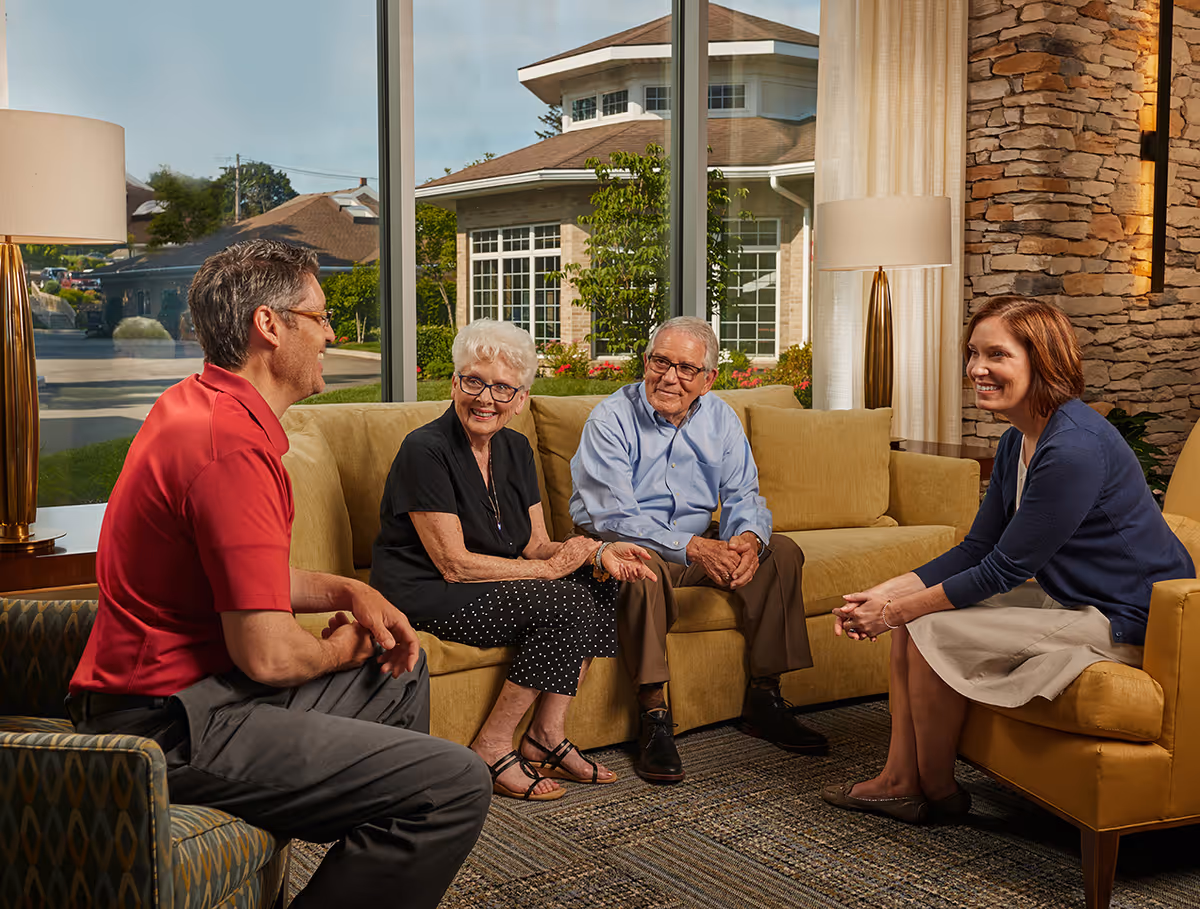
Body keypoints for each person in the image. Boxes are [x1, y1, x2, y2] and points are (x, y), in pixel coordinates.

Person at [67, 240, 492, 909]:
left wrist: (350, 590)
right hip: (165, 725)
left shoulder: (201, 404)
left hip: (196, 696)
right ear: (271, 324)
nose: (331, 334)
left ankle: (375, 849)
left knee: (398, 668)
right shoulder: (231, 448)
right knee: (453, 783)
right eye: (319, 317)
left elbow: (242, 570)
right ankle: (393, 820)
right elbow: (267, 654)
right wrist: (338, 646)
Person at [823, 295, 1194, 824]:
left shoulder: (1074, 449)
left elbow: (1002, 571)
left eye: (996, 355)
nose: (977, 368)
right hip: (1070, 591)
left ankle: (935, 789)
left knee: (924, 626)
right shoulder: (1018, 440)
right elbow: (978, 548)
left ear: (1042, 360)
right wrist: (886, 593)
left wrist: (894, 612)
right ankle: (902, 780)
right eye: (973, 353)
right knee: (913, 618)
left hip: (1125, 615)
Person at [371, 318, 657, 801]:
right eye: (474, 381)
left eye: (503, 388)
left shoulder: (516, 448)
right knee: (563, 601)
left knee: (601, 583)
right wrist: (548, 571)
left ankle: (546, 734)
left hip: (492, 581)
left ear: (521, 399)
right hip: (427, 589)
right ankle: (492, 744)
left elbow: (536, 544)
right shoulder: (425, 450)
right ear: (455, 382)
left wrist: (599, 553)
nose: (486, 398)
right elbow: (454, 564)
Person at [569, 316, 827, 784]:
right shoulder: (609, 419)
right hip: (626, 544)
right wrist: (694, 547)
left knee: (781, 552)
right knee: (638, 569)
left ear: (708, 379)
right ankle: (653, 718)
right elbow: (612, 517)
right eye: (660, 362)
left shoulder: (720, 418)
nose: (670, 377)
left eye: (686, 369)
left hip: (694, 543)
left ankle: (764, 699)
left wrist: (747, 539)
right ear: (645, 362)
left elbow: (745, 495)